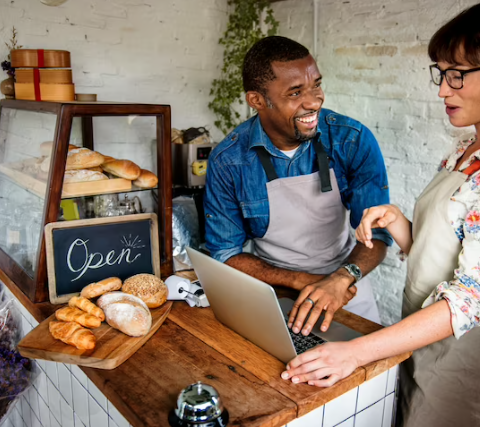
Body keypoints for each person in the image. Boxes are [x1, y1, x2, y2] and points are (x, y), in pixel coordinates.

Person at [280, 4, 480, 427]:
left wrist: (357, 351)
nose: (443, 91)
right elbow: (439, 251)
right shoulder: (463, 152)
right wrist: (396, 221)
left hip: (462, 353)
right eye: (440, 73)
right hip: (418, 338)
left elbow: (468, 300)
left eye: (456, 74)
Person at [203, 36, 393, 334]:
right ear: (256, 100)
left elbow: (377, 234)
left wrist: (342, 277)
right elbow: (225, 253)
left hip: (347, 289)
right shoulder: (229, 160)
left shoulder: (351, 139)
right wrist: (296, 280)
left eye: (316, 85)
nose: (314, 101)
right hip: (274, 291)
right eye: (295, 93)